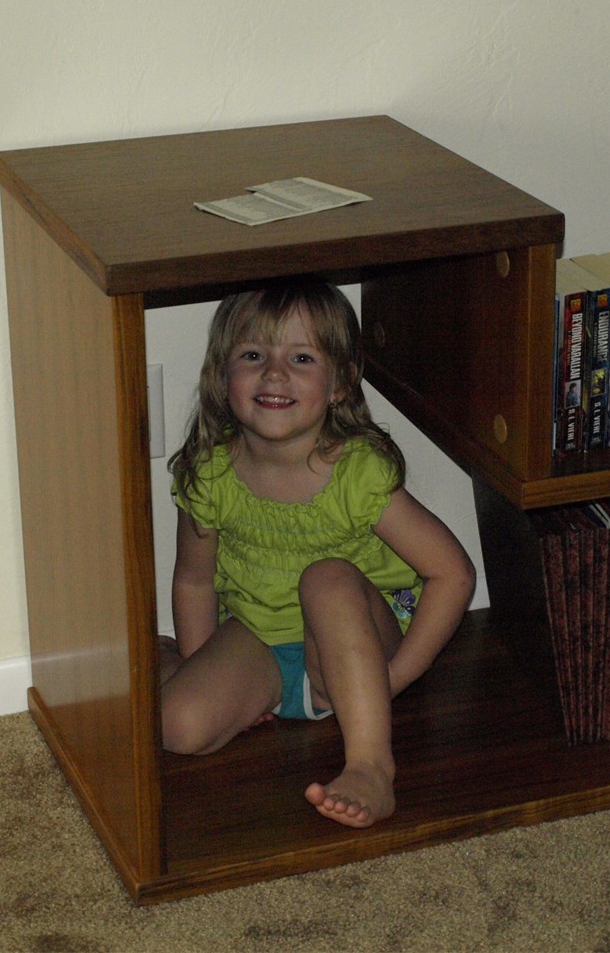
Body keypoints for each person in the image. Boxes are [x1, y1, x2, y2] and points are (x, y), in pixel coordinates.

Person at [160, 279, 475, 828]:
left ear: (340, 384)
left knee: (326, 578)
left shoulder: (358, 472)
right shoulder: (209, 474)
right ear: (222, 376)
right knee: (178, 728)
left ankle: (372, 767)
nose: (274, 372)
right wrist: (201, 662)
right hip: (258, 633)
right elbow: (194, 582)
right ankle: (164, 661)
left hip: (351, 641)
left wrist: (395, 678)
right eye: (253, 354)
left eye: (301, 357)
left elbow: (452, 573)